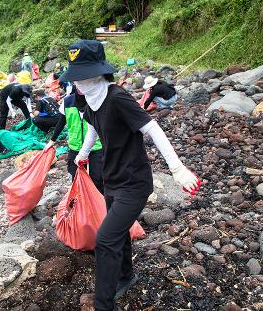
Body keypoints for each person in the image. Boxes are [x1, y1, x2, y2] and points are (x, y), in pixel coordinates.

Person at [59, 40, 200, 311]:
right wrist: (84, 153)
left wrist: (177, 169)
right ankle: (125, 276)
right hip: (112, 178)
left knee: (105, 239)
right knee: (119, 234)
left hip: (134, 183)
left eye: (81, 75)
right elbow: (92, 124)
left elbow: (152, 129)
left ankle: (104, 305)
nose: (76, 82)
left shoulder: (116, 96)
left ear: (98, 73)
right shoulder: (88, 96)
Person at [46, 86, 104, 193]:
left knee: (97, 180)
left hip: (95, 147)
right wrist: (52, 141)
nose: (82, 86)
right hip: (75, 147)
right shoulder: (67, 101)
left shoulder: (95, 99)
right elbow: (61, 122)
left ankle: (99, 206)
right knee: (76, 178)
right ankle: (79, 206)